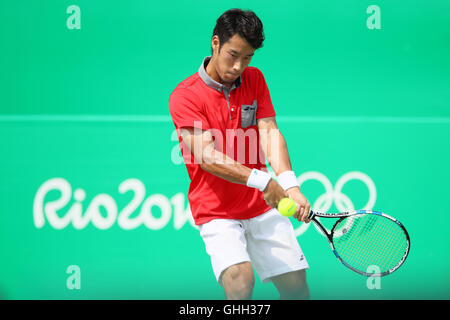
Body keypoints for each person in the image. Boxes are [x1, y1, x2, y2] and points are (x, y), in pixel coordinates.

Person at [169, 8, 311, 300]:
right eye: (233, 55)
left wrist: (290, 185)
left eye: (247, 58)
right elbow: (206, 157)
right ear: (215, 43)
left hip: (261, 206)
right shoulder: (184, 95)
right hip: (216, 210)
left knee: (297, 287)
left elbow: (270, 132)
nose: (238, 66)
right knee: (240, 279)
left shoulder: (255, 79)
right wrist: (265, 182)